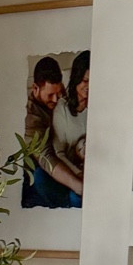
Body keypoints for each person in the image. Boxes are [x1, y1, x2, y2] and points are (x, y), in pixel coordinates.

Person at [21, 56, 71, 208]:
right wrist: (80, 187)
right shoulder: (31, 118)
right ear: (35, 89)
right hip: (40, 177)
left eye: (59, 93)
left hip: (64, 161)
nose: (56, 99)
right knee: (39, 177)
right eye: (50, 95)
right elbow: (46, 158)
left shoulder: (60, 99)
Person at [46, 50, 89, 206]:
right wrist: (78, 174)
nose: (88, 87)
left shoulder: (100, 109)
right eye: (85, 80)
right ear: (76, 79)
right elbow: (58, 153)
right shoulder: (62, 109)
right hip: (70, 171)